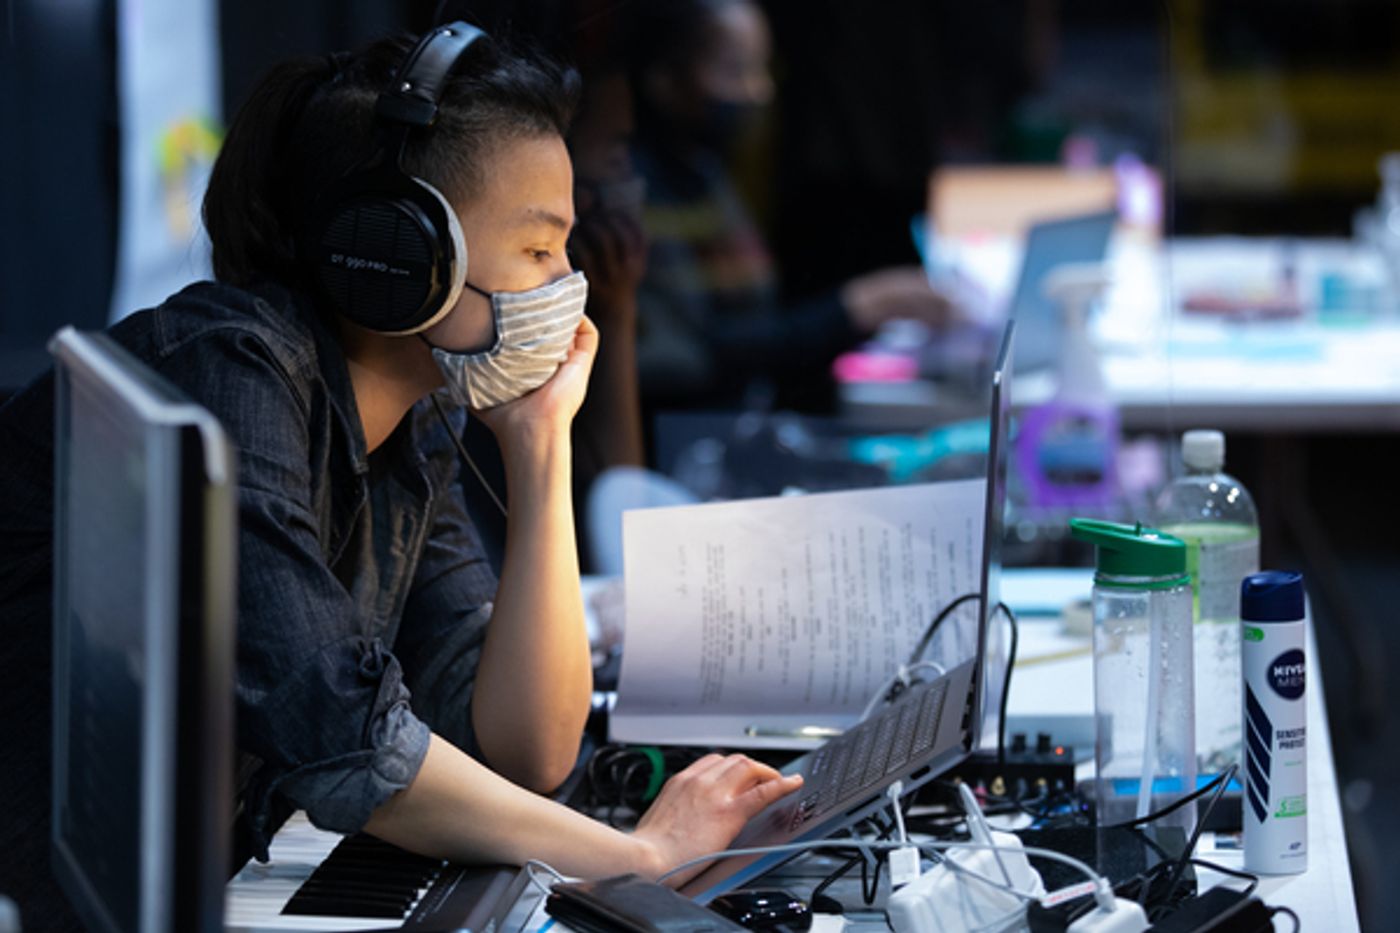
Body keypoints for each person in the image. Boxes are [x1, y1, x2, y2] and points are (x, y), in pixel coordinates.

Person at [0, 25, 800, 927]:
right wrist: (639, 857)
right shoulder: (226, 372)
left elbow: (525, 748)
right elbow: (344, 739)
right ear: (404, 257)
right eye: (539, 249)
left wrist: (540, 450)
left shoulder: (412, 423)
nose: (569, 283)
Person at [624, 0, 956, 417]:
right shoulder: (638, 193)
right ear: (665, 80)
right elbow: (699, 351)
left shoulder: (706, 172)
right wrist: (859, 306)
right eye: (734, 71)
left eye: (762, 70)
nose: (758, 91)